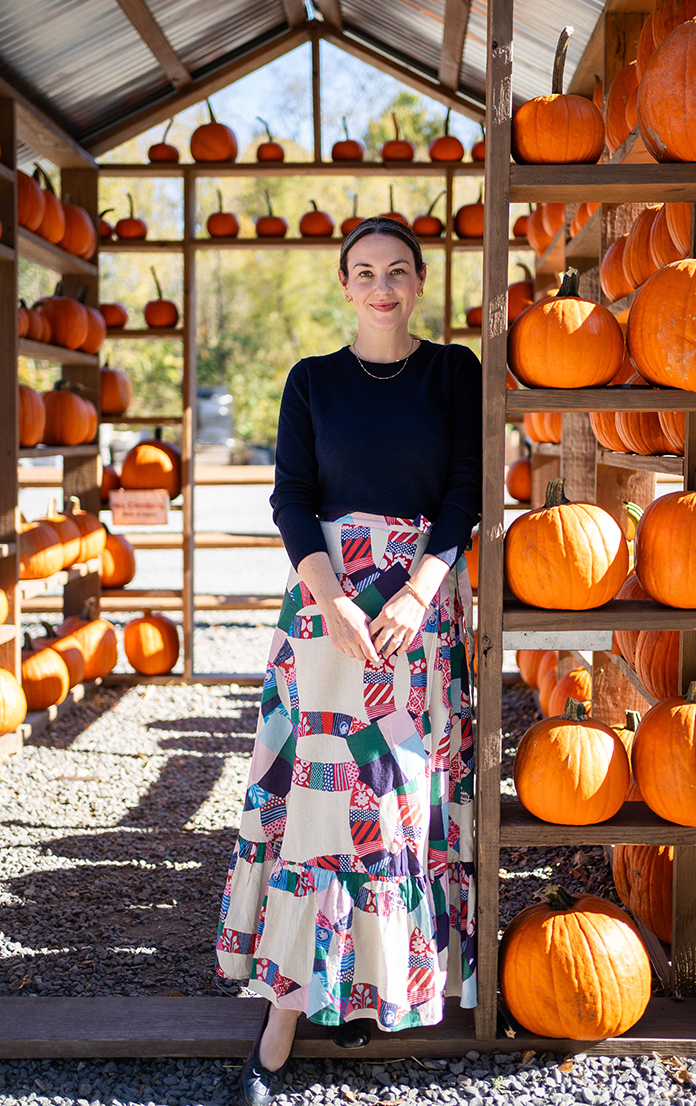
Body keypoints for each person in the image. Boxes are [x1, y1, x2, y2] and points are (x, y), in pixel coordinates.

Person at [216, 217, 482, 1106]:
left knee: (400, 799)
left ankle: (375, 985)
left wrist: (418, 592)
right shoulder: (311, 382)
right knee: (316, 806)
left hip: (417, 607)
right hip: (325, 610)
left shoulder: (454, 374)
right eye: (364, 273)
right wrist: (331, 602)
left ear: (419, 282)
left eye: (398, 272)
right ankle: (284, 1013)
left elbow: (463, 493)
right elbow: (291, 496)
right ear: (343, 285)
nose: (381, 287)